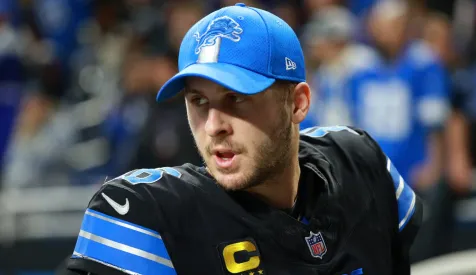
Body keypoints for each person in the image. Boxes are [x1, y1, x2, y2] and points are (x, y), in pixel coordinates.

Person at [61, 3, 422, 275]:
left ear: (298, 104)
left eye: (237, 98)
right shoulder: (147, 213)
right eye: (198, 101)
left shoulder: (359, 161)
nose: (214, 124)